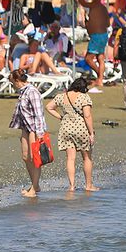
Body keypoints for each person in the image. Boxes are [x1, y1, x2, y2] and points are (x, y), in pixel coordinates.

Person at [46, 76, 97, 193]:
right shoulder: (84, 97)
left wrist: (61, 117)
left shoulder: (62, 96)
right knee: (87, 158)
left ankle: (71, 186)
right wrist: (91, 133)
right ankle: (89, 185)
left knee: (70, 159)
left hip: (66, 128)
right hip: (81, 129)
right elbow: (87, 116)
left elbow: (49, 107)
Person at [8, 69, 48, 198]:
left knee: (35, 158)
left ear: (18, 81)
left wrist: (40, 133)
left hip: (34, 129)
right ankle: (35, 185)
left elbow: (39, 113)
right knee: (26, 157)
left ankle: (34, 189)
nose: (12, 85)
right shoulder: (23, 92)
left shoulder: (32, 92)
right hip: (25, 128)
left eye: (12, 82)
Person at [78, 0, 108, 88]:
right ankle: (100, 80)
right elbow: (107, 23)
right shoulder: (103, 8)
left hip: (96, 36)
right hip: (104, 35)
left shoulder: (94, 6)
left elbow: (83, 3)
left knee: (88, 58)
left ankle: (100, 75)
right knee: (100, 58)